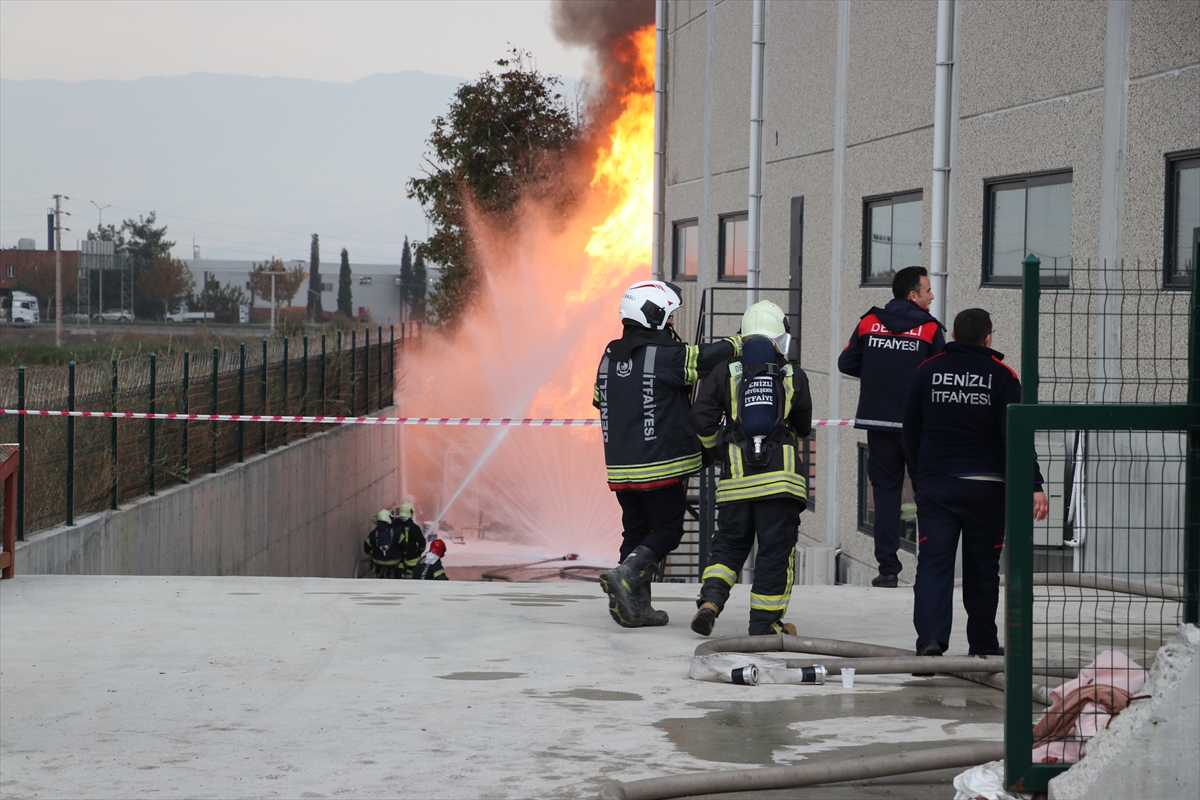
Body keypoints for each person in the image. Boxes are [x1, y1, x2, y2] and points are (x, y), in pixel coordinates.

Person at [594, 280, 742, 629]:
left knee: (635, 531)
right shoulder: (665, 357)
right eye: (670, 316)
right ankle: (626, 573)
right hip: (659, 464)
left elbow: (602, 403)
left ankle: (636, 606)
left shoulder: (607, 357)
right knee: (668, 530)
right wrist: (741, 341)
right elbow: (705, 359)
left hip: (619, 469)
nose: (673, 323)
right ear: (654, 317)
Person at [903, 308, 1049, 660]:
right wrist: (1034, 484)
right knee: (983, 569)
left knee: (934, 564)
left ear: (952, 336)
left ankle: (930, 641)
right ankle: (982, 643)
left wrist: (921, 476)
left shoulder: (927, 372)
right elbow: (1014, 436)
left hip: (937, 488)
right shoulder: (1003, 376)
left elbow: (910, 430)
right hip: (987, 489)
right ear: (988, 339)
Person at [688, 300, 813, 637]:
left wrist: (717, 447)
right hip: (780, 484)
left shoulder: (724, 372)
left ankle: (710, 602)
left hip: (735, 482)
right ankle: (764, 625)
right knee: (774, 553)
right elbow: (802, 427)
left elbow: (701, 419)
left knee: (727, 546)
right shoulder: (791, 374)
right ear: (779, 335)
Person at [838, 265, 945, 588]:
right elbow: (939, 374)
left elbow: (846, 363)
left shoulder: (869, 322)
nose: (932, 295)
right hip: (917, 427)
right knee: (926, 493)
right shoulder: (929, 329)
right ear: (913, 295)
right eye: (928, 290)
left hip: (878, 422)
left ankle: (888, 570)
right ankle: (930, 565)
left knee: (886, 495)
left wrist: (878, 374)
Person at [363, 509, 405, 579]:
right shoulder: (397, 532)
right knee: (400, 562)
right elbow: (404, 545)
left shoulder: (373, 534)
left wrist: (373, 553)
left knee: (379, 567)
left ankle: (379, 574)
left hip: (378, 560)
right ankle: (394, 575)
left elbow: (366, 547)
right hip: (394, 560)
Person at [391, 502, 425, 578]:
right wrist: (419, 551)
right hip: (411, 559)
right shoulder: (414, 528)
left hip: (396, 560)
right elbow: (422, 543)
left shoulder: (394, 526)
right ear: (410, 512)